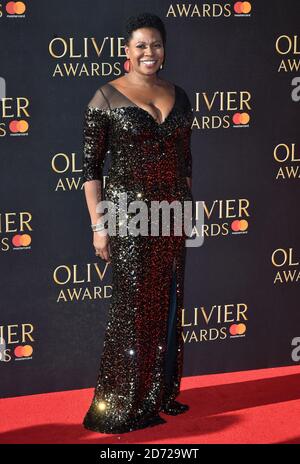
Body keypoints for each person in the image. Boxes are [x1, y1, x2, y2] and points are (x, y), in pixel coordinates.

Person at [81, 12, 193, 434]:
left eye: (156, 45)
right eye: (141, 45)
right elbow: (91, 170)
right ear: (126, 51)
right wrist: (99, 224)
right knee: (133, 308)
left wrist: (188, 208)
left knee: (168, 302)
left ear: (164, 52)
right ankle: (123, 402)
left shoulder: (180, 96)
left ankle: (160, 392)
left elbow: (185, 162)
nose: (149, 52)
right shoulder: (105, 98)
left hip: (173, 213)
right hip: (128, 215)